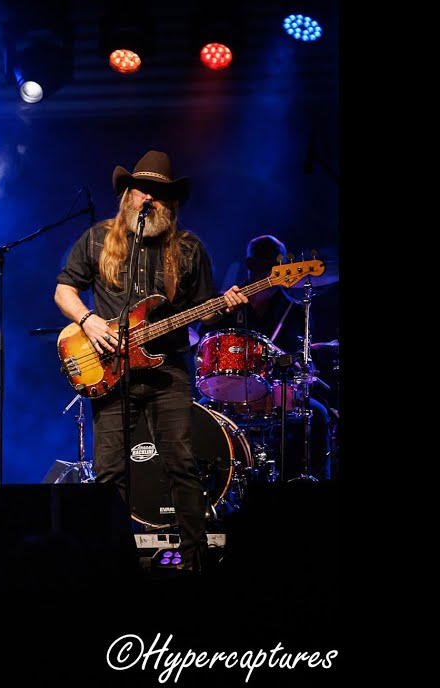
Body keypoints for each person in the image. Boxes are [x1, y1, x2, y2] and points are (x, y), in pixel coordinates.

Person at [54, 150, 247, 571]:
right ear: (127, 195)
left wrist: (224, 305)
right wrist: (88, 321)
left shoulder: (189, 248)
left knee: (180, 462)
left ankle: (194, 560)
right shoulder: (96, 239)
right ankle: (111, 561)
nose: (149, 199)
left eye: (159, 193)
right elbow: (64, 290)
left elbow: (204, 308)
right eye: (143, 190)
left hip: (168, 370)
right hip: (109, 369)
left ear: (171, 203)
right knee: (109, 471)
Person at [212, 234, 336, 481]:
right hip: (232, 392)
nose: (264, 271)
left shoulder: (295, 310)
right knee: (201, 414)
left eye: (271, 265)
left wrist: (293, 363)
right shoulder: (228, 304)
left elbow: (302, 360)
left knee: (319, 414)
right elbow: (205, 346)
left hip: (279, 392)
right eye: (258, 264)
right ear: (249, 265)